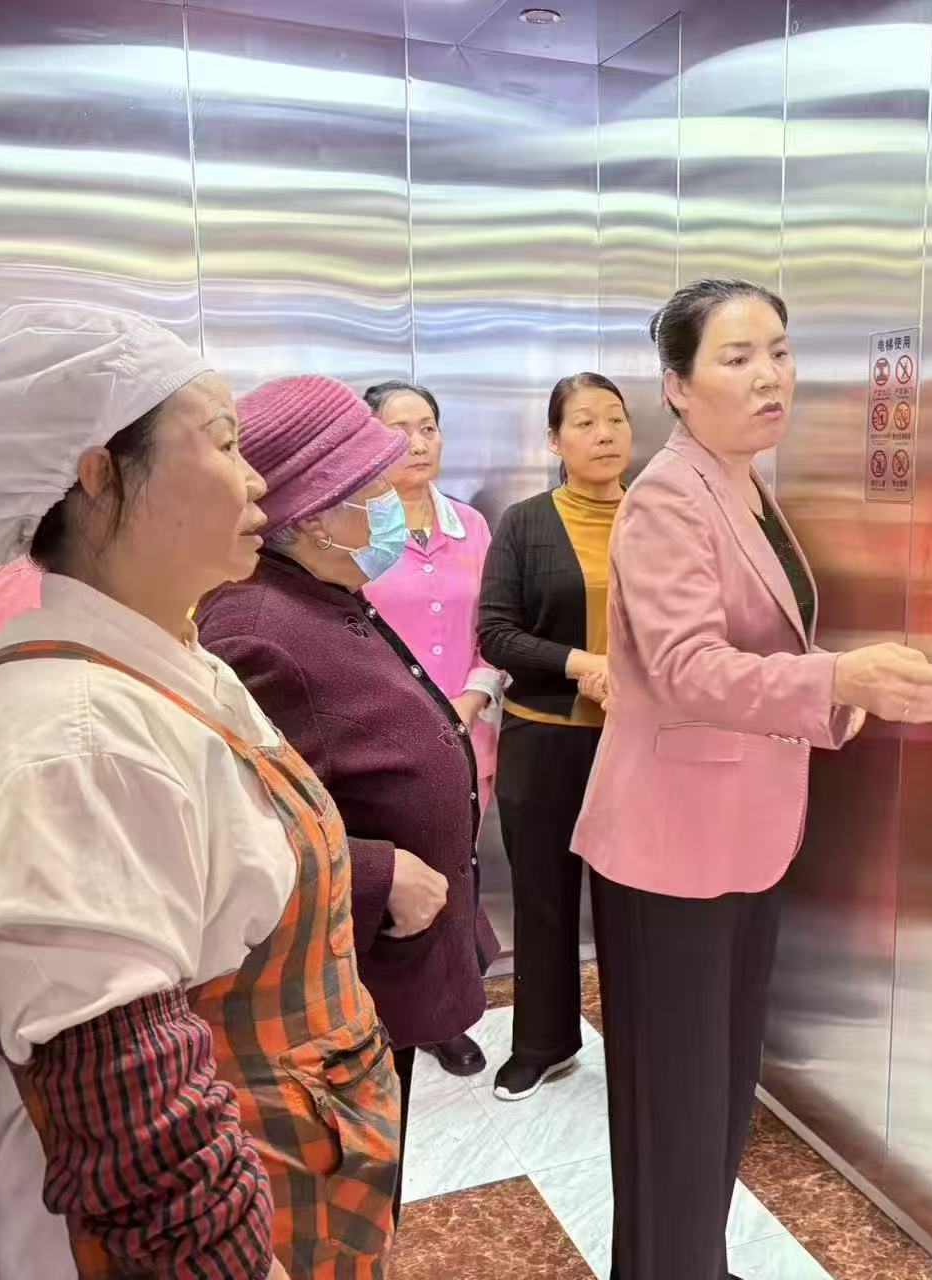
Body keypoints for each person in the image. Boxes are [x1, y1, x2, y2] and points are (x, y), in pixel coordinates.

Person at [0, 305, 398, 1280]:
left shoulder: (168, 664)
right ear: (99, 473)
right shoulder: (66, 739)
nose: (256, 480)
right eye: (221, 442)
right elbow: (140, 1133)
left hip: (290, 1173)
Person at [571, 279, 932, 1279]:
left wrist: (842, 694)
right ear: (676, 384)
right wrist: (836, 680)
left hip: (743, 834)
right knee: (674, 1112)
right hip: (669, 847)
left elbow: (765, 653)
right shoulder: (667, 496)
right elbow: (685, 667)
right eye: (737, 357)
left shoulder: (745, 486)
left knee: (716, 1097)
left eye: (780, 352)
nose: (769, 376)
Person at [195, 375, 499, 1219]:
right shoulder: (256, 630)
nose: (393, 501)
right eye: (372, 489)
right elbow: (231, 825)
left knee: (375, 1183)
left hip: (376, 979)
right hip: (331, 991)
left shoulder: (322, 598)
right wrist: (376, 873)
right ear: (313, 515)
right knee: (341, 1206)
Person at [477, 372, 632, 1102]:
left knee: (635, 903)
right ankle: (543, 1042)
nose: (604, 434)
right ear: (554, 440)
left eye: (615, 419)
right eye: (584, 422)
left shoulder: (658, 519)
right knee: (543, 895)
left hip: (638, 743)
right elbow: (496, 633)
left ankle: (640, 1044)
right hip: (544, 739)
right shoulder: (525, 523)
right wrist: (582, 665)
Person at [358, 382, 503, 1084]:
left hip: (469, 735)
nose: (418, 443)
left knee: (456, 868)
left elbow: (494, 629)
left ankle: (445, 1017)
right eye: (399, 430)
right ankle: (379, 1018)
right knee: (394, 877)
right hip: (382, 741)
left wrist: (471, 699)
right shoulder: (354, 529)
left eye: (429, 427)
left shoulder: (471, 527)